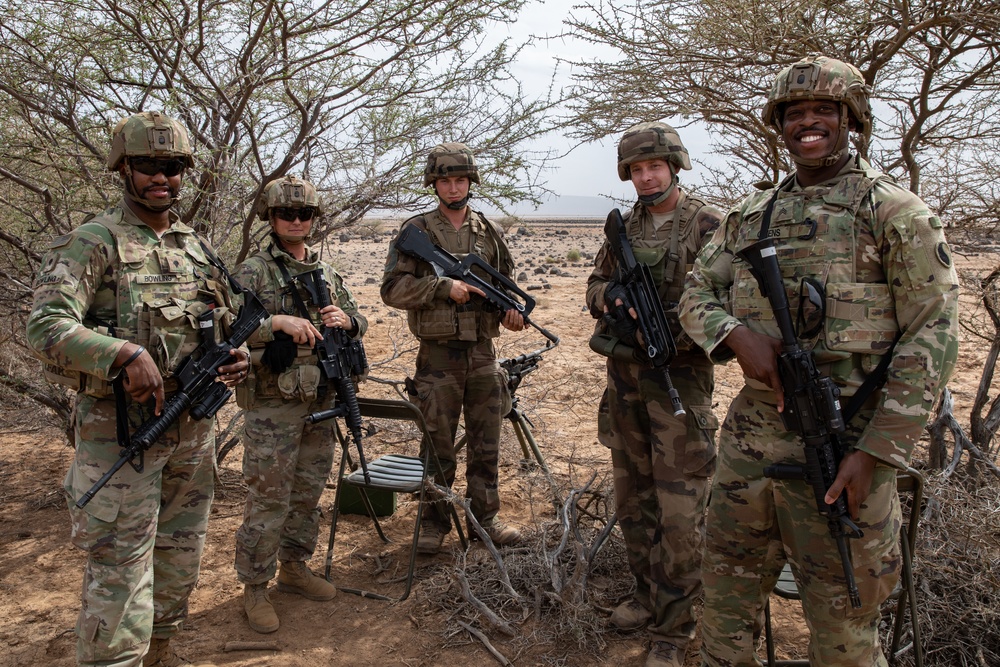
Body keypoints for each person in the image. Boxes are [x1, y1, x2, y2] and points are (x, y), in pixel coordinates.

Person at [679, 54, 959, 666]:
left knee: (843, 627)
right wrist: (734, 335)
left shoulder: (894, 213)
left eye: (824, 111)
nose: (809, 123)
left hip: (847, 444)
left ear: (850, 119)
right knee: (724, 606)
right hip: (752, 444)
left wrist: (877, 451)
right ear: (779, 125)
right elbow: (696, 292)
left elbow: (932, 336)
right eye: (794, 113)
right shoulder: (751, 215)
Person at [27, 111, 251, 667]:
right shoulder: (93, 241)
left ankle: (163, 651)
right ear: (124, 168)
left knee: (181, 555)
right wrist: (121, 353)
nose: (162, 178)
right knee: (121, 567)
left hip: (193, 427)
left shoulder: (193, 245)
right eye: (149, 166)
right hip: (122, 433)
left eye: (173, 167)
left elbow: (219, 318)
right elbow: (45, 326)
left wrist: (236, 351)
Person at [585, 122, 722, 667]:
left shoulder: (708, 225)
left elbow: (730, 303)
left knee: (682, 511)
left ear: (674, 166)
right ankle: (645, 597)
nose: (645, 178)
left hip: (679, 386)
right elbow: (594, 286)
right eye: (636, 170)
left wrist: (676, 330)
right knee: (634, 501)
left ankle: (676, 623)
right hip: (625, 385)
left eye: (654, 168)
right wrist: (612, 299)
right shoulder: (623, 226)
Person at [233, 175, 368, 634]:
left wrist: (348, 320)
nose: (296, 221)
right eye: (286, 214)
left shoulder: (325, 272)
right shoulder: (254, 271)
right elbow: (224, 326)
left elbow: (360, 319)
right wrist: (275, 323)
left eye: (304, 214)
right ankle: (254, 587)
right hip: (274, 403)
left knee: (308, 491)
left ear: (314, 220)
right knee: (268, 497)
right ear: (270, 218)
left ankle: (293, 567)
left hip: (322, 396)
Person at [380, 142, 525, 554]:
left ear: (470, 182)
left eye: (460, 179)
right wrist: (444, 287)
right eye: (445, 180)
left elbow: (502, 287)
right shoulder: (417, 232)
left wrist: (508, 315)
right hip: (438, 356)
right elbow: (391, 289)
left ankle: (486, 520)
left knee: (487, 443)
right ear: (435, 184)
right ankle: (433, 523)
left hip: (482, 353)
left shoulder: (487, 232)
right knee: (438, 445)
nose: (454, 187)